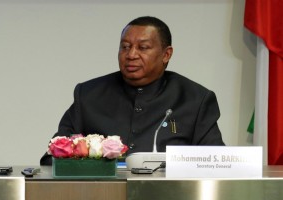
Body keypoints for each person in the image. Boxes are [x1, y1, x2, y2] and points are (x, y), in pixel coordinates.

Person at [40, 16, 224, 165]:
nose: (131, 55)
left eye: (143, 48)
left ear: (166, 54)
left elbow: (215, 161)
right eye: (125, 47)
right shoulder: (89, 94)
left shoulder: (195, 99)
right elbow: (53, 156)